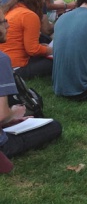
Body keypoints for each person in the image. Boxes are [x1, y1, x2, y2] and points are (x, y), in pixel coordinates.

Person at [0, 9, 62, 172]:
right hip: (3, 143)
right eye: (3, 22)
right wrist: (14, 113)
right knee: (54, 126)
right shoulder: (2, 59)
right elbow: (2, 115)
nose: (8, 26)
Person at [0, 0, 53, 79]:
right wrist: (51, 50)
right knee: (56, 61)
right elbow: (33, 50)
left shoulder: (9, 10)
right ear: (37, 3)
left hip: (5, 63)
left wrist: (42, 47)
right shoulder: (29, 16)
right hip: (16, 67)